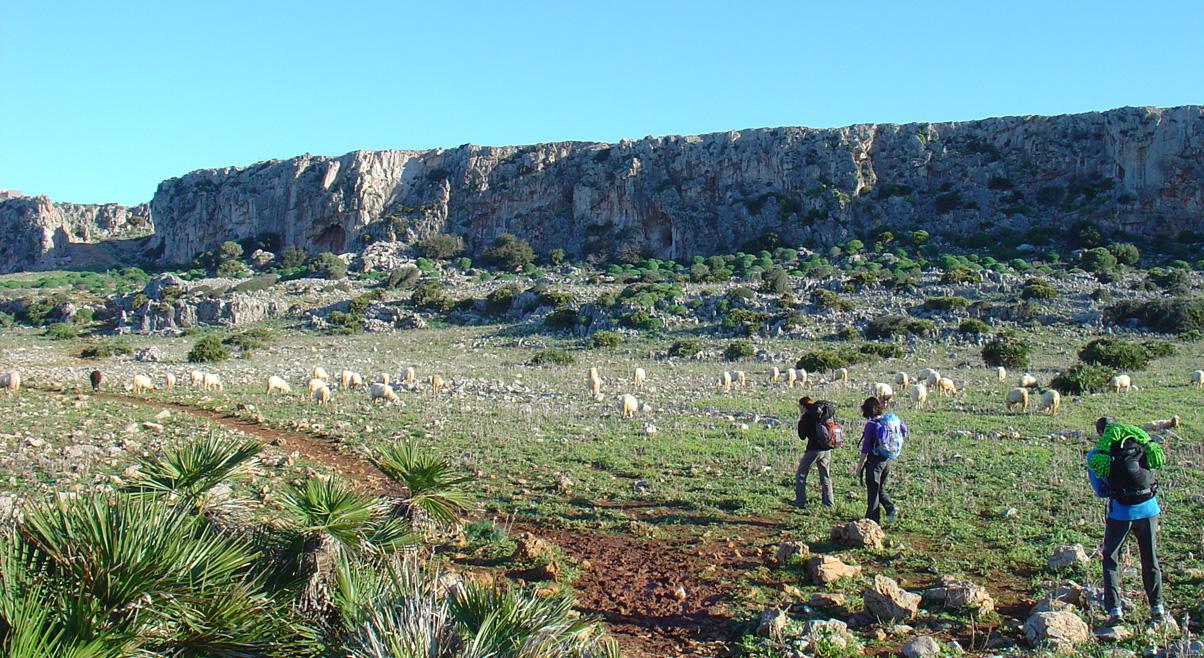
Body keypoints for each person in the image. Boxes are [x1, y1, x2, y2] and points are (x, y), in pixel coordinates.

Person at [1087, 417, 1168, 627]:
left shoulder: (1098, 454)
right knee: (1150, 558)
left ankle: (1115, 611)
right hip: (1149, 508)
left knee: (1111, 559)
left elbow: (1100, 490)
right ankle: (1157, 608)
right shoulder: (1141, 444)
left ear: (1101, 434)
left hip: (1121, 513)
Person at [855, 396, 906, 523]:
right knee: (880, 488)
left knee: (872, 492)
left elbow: (866, 448)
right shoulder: (886, 422)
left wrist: (859, 465)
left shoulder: (871, 425)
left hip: (874, 462)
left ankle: (872, 521)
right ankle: (890, 509)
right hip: (887, 460)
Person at [794, 396, 834, 508]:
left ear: (802, 406)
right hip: (827, 449)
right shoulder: (822, 414)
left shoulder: (807, 416)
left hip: (814, 450)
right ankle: (829, 503)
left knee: (801, 473)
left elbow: (802, 436)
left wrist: (801, 421)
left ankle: (800, 501)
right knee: (825, 476)